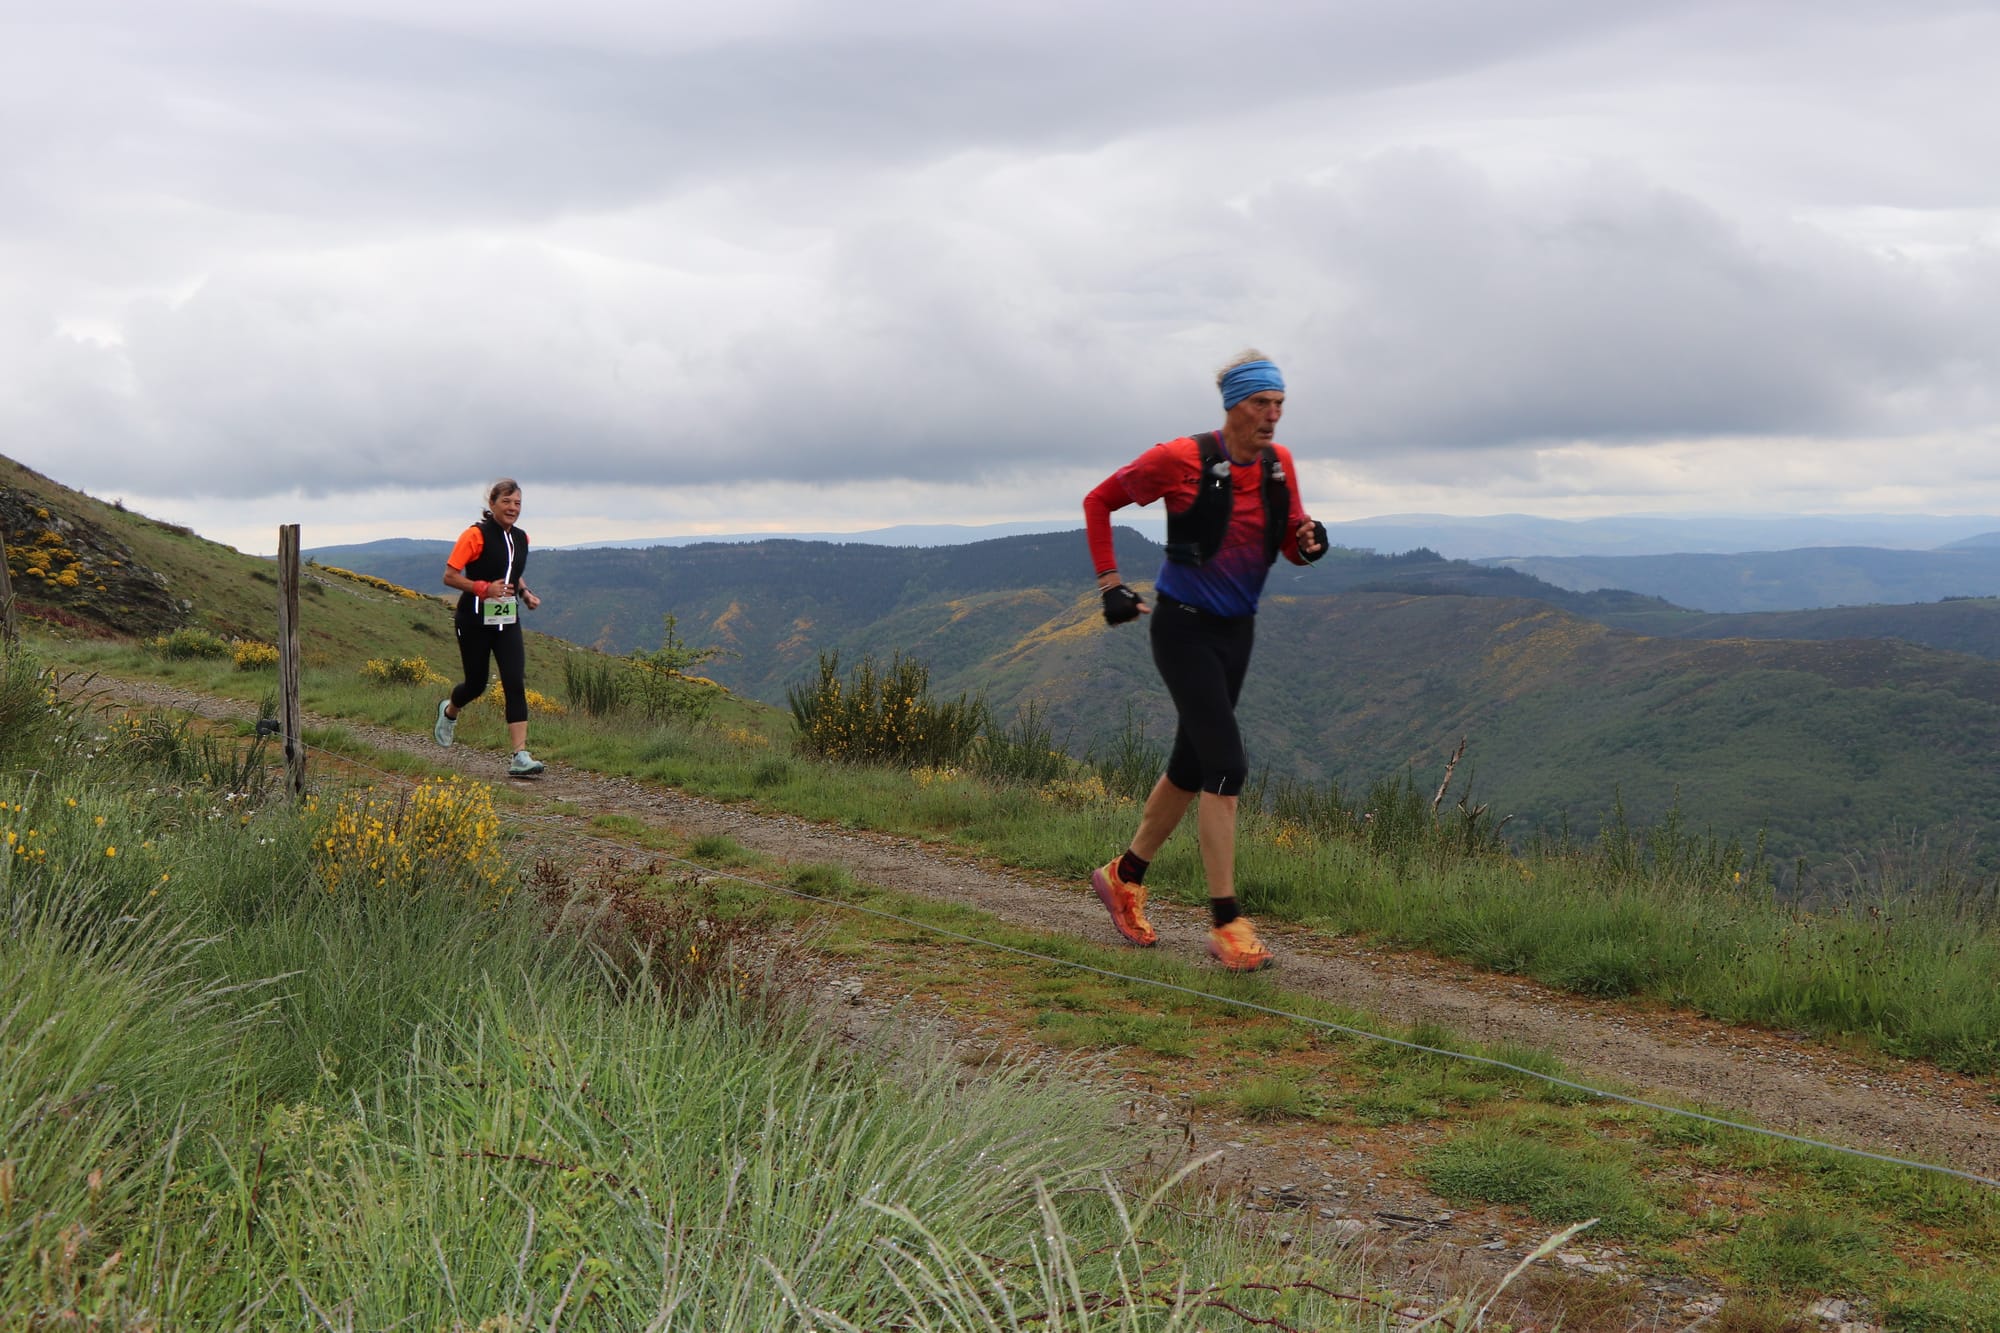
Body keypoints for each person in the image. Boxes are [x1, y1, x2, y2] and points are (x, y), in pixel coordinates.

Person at [1080, 351, 1328, 970]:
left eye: (1279, 405)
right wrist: (1110, 583)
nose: (1272, 417)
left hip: (1237, 632)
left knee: (1191, 767)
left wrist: (1308, 540)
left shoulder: (1279, 465)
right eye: (1260, 404)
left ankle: (1124, 876)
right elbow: (1098, 500)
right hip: (1182, 630)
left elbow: (1290, 542)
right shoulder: (1179, 459)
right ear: (1234, 406)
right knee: (1225, 764)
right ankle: (1226, 923)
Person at [434, 477, 547, 776]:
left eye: (518, 503)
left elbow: (511, 573)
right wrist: (483, 588)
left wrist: (524, 593)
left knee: (514, 682)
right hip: (473, 621)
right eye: (506, 502)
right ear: (492, 504)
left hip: (507, 620)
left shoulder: (521, 538)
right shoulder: (475, 535)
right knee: (477, 684)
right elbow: (450, 576)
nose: (513, 508)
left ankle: (520, 756)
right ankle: (449, 711)